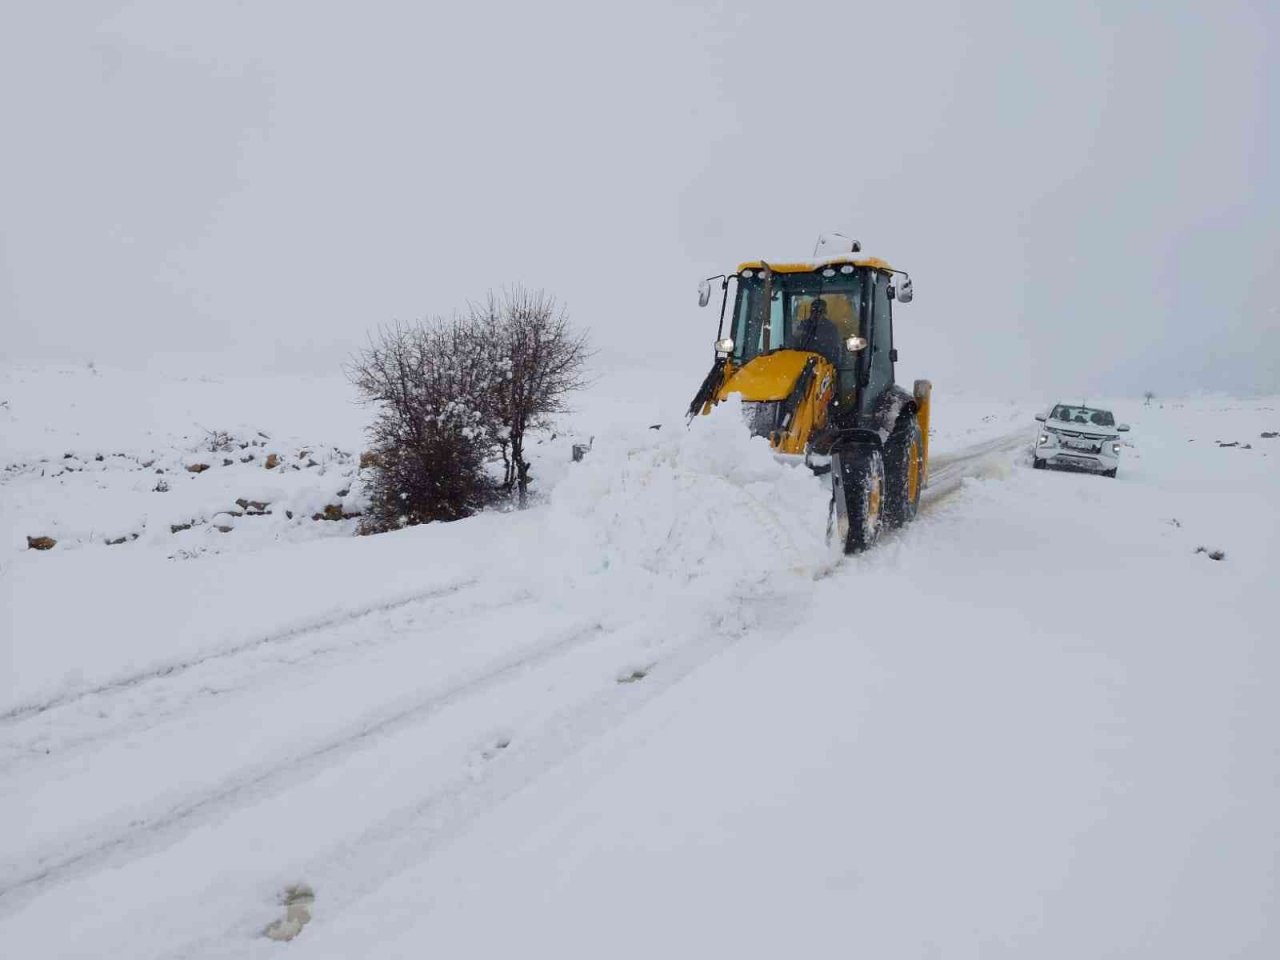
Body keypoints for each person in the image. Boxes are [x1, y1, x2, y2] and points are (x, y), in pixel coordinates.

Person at [789, 298, 842, 362]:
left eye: (820, 311)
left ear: (824, 312)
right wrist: (799, 334)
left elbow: (835, 348)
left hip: (825, 362)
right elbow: (794, 340)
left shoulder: (831, 328)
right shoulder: (804, 324)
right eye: (813, 311)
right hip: (804, 360)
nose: (816, 314)